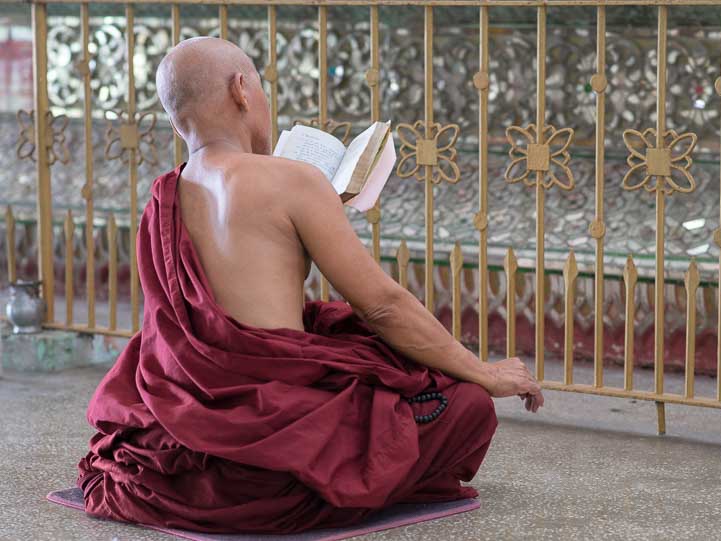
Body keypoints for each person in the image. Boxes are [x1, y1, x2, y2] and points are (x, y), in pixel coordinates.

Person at [77, 37, 543, 534]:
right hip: (282, 445)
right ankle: (328, 485)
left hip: (187, 434)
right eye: (259, 86)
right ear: (241, 90)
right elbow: (382, 306)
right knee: (465, 406)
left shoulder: (165, 195)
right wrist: (485, 373)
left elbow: (182, 332)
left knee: (334, 329)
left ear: (176, 116)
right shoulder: (293, 181)